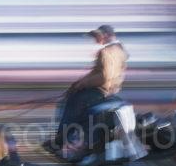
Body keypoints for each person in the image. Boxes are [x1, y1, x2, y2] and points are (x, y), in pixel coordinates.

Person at [54, 25, 129, 157]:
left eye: (96, 36)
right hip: (107, 90)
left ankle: (62, 142)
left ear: (105, 35)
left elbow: (105, 77)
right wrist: (78, 83)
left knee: (72, 104)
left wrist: (82, 84)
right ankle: (69, 141)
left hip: (100, 91)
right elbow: (99, 73)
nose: (95, 39)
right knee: (73, 99)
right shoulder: (118, 50)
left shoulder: (109, 51)